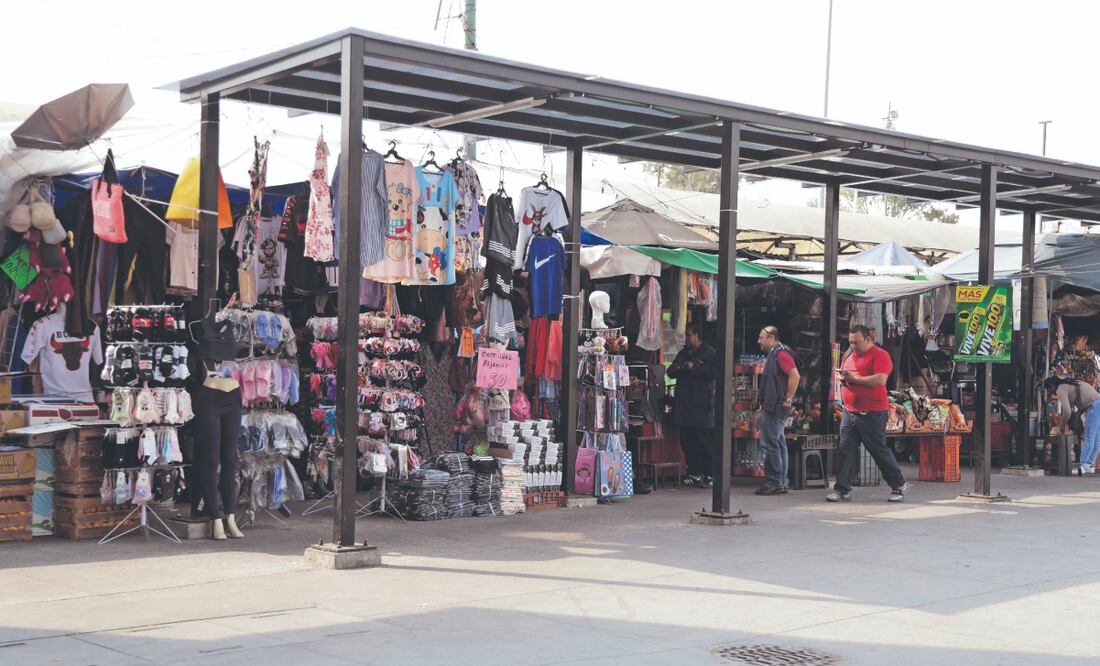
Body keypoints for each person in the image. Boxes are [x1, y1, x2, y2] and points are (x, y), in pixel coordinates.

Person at [827, 324, 911, 503]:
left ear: (868, 339)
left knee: (878, 450)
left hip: (872, 412)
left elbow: (880, 380)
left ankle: (899, 484)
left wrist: (853, 379)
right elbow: (847, 376)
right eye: (850, 342)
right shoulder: (849, 354)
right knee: (845, 450)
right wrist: (844, 379)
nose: (853, 346)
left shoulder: (880, 355)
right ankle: (842, 490)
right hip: (850, 411)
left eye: (857, 342)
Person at [668, 323, 717, 488]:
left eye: (689, 335)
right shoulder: (683, 353)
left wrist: (694, 367)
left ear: (697, 335)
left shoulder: (709, 353)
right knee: (687, 441)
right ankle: (694, 473)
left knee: (704, 442)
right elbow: (670, 372)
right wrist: (680, 366)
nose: (687, 339)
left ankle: (709, 474)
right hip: (684, 406)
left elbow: (713, 373)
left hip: (702, 406)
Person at [755, 326, 800, 495]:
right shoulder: (776, 354)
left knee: (770, 443)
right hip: (775, 404)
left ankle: (774, 481)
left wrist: (787, 399)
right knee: (779, 443)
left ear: (772, 338)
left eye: (762, 338)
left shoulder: (780, 354)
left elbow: (795, 376)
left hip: (776, 405)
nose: (759, 341)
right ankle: (781, 481)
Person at [1044, 376, 1100, 474]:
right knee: (1096, 438)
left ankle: (1081, 466)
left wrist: (1062, 425)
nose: (1050, 393)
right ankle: (1089, 465)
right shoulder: (1069, 383)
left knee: (1089, 437)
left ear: (1052, 386)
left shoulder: (1060, 389)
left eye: (1049, 390)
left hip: (1094, 406)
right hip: (1097, 403)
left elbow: (1067, 412)